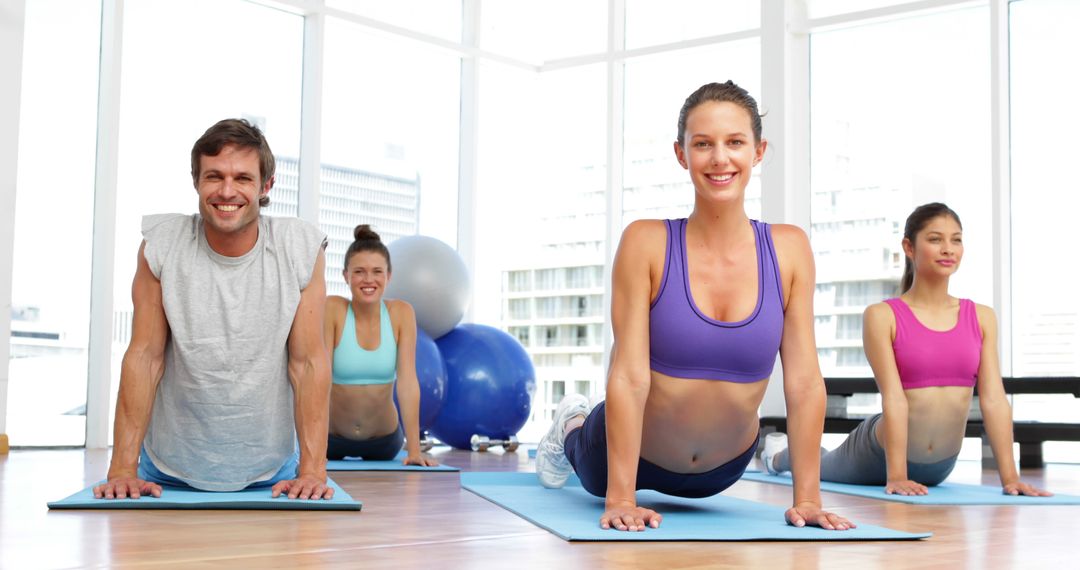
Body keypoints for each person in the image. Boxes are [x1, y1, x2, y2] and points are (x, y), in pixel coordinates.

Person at [535, 81, 853, 532]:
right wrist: (621, 496)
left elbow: (803, 380)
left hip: (720, 473)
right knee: (585, 449)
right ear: (682, 154)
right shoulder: (647, 242)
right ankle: (570, 422)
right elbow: (628, 374)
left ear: (758, 151)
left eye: (735, 142)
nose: (720, 158)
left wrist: (808, 499)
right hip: (622, 457)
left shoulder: (789, 249)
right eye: (703, 144)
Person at [93, 118, 334, 500]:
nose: (227, 190)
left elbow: (307, 365)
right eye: (213, 176)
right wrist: (123, 468)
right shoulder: (162, 244)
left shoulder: (299, 248)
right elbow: (145, 357)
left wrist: (313, 472)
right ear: (196, 182)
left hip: (275, 474)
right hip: (165, 470)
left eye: (242, 178)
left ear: (266, 186)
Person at [762, 202, 1052, 498]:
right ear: (909, 247)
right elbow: (894, 397)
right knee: (822, 463)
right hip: (876, 455)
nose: (948, 249)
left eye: (956, 239)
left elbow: (993, 400)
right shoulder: (882, 316)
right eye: (935, 239)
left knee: (825, 459)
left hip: (939, 466)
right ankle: (776, 456)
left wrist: (1011, 479)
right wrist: (897, 476)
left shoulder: (982, 317)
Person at [323, 225, 437, 466]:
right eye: (359, 271)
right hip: (329, 440)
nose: (368, 280)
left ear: (389, 276)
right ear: (346, 276)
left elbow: (407, 382)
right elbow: (317, 379)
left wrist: (414, 451)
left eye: (377, 271)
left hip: (384, 442)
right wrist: (308, 447)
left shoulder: (401, 313)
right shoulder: (332, 309)